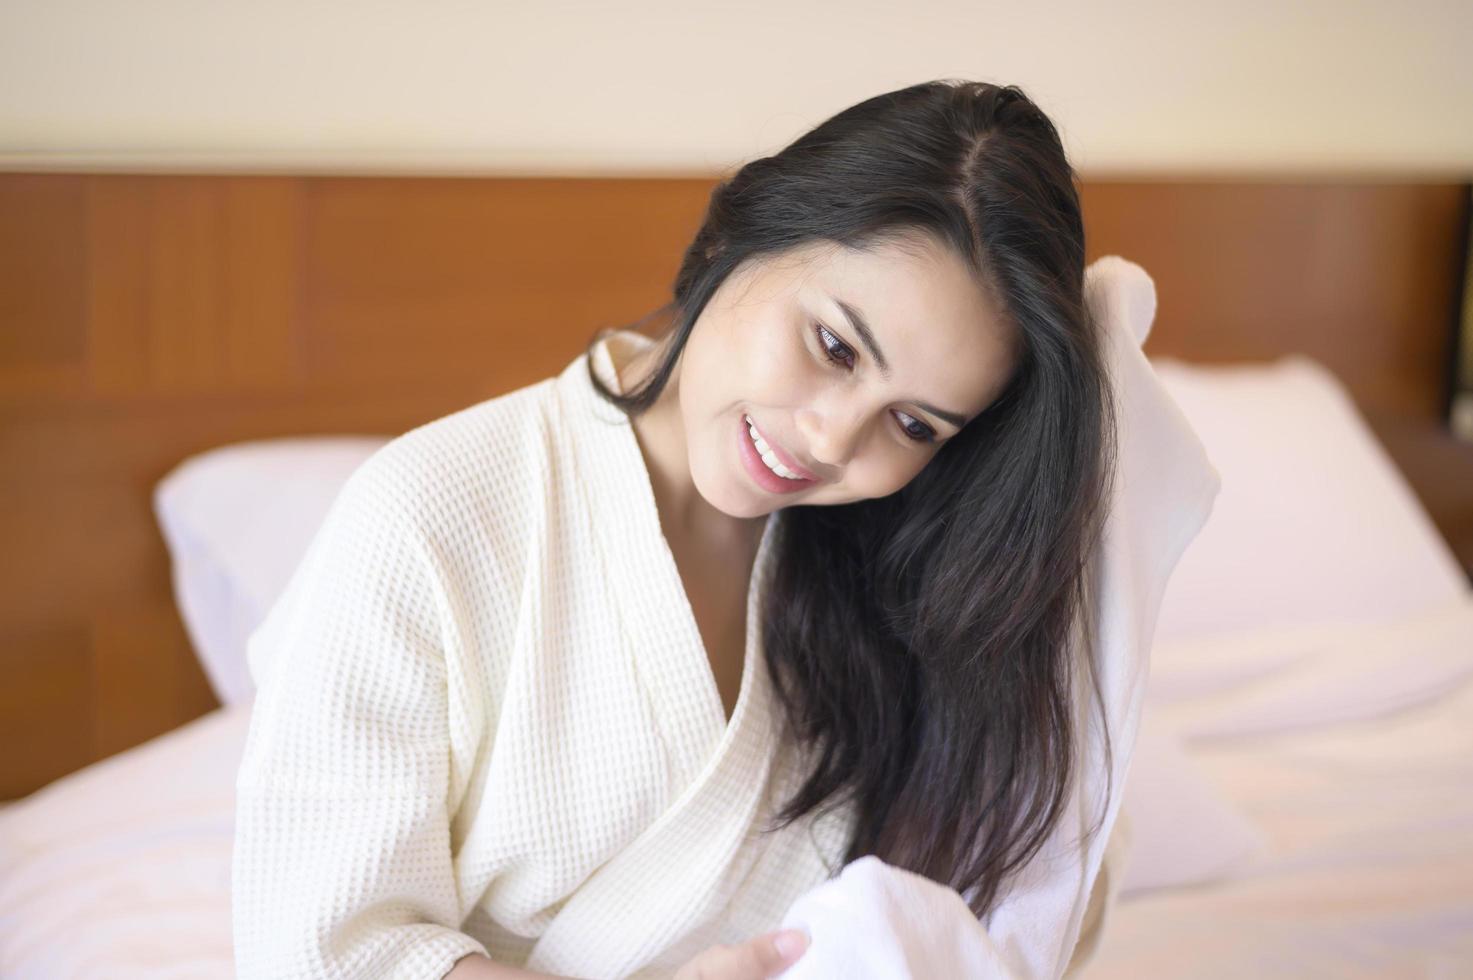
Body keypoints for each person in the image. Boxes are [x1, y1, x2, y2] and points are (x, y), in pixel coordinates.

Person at [232, 78, 1119, 980]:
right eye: (834, 347)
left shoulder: (895, 573)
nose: (831, 439)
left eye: (915, 424)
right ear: (740, 235)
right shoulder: (427, 514)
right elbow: (327, 948)